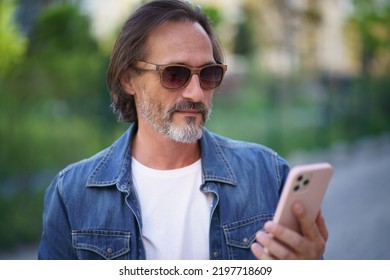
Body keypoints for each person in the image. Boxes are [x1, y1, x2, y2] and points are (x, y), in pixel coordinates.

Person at [38, 0, 328, 260]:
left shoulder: (269, 174)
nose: (196, 93)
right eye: (175, 74)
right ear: (129, 79)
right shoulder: (72, 194)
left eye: (209, 74)